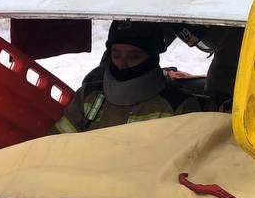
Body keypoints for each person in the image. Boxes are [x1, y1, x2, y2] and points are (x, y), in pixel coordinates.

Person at [52, 20, 204, 133]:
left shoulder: (179, 106)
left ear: (151, 59)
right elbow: (56, 145)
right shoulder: (88, 94)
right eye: (116, 55)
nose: (122, 64)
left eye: (134, 56)